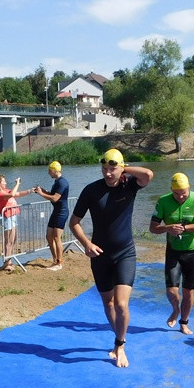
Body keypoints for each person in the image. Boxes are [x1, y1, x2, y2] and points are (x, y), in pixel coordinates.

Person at [69, 148, 154, 367]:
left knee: (122, 304)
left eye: (112, 168)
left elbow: (147, 175)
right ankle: (117, 339)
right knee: (108, 303)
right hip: (99, 255)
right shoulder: (91, 190)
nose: (108, 173)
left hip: (125, 253)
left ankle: (120, 344)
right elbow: (74, 222)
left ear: (121, 167)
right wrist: (86, 244)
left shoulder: (129, 185)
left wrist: (123, 169)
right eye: (105, 169)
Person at [149, 173, 194, 335]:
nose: (180, 196)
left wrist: (185, 228)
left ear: (189, 188)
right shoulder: (163, 201)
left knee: (188, 291)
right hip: (173, 252)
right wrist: (167, 228)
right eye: (176, 193)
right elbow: (153, 228)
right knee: (171, 290)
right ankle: (175, 310)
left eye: (184, 192)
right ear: (171, 190)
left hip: (193, 252)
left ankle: (184, 323)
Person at [0, 173, 33, 272]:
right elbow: (12, 194)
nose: (5, 182)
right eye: (3, 181)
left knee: (13, 240)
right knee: (8, 241)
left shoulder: (5, 190)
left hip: (13, 216)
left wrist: (29, 191)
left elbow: (17, 194)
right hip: (7, 218)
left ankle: (9, 260)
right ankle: (6, 263)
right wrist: (17, 183)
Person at [33, 161, 69, 271]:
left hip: (62, 212)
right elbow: (52, 194)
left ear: (55, 170)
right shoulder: (56, 182)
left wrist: (41, 194)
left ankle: (59, 263)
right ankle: (55, 260)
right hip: (56, 211)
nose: (49, 173)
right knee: (49, 236)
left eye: (50, 171)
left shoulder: (62, 182)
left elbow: (55, 198)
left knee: (57, 237)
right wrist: (44, 191)